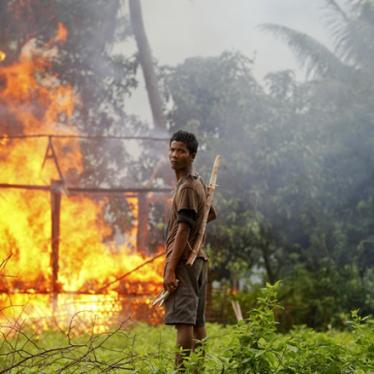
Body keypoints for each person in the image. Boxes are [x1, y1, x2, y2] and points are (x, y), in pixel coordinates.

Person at [163, 130, 216, 370]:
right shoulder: (198, 183)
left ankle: (182, 371)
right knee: (197, 322)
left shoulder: (186, 188)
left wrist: (171, 268)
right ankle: (198, 370)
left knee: (184, 323)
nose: (175, 155)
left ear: (192, 155)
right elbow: (208, 215)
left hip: (185, 262)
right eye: (172, 149)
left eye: (181, 151)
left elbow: (185, 227)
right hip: (199, 260)